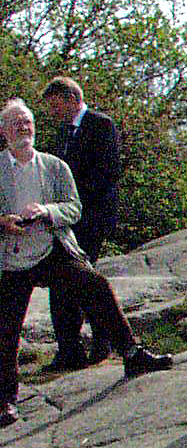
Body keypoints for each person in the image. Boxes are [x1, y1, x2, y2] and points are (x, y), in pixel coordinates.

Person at [0, 100, 172, 427]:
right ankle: (5, 400)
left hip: (52, 248)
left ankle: (132, 354)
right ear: (3, 132)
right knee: (5, 328)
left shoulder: (54, 166)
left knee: (96, 285)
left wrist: (47, 211)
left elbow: (73, 209)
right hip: (11, 259)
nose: (24, 128)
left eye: (27, 122)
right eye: (16, 124)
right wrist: (4, 222)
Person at [41, 76, 121, 370]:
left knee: (81, 281)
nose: (53, 112)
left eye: (56, 105)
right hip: (69, 220)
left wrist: (75, 204)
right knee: (64, 282)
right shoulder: (65, 132)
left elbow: (108, 173)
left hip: (92, 218)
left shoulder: (101, 125)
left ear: (72, 98)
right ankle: (69, 349)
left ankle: (102, 341)